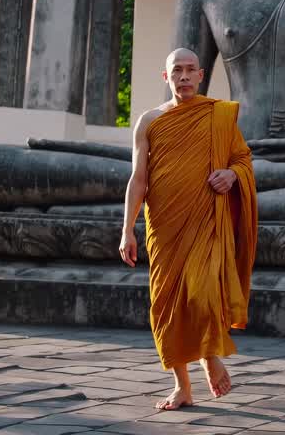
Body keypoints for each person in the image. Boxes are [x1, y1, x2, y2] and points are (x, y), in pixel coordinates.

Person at [118, 48, 257, 411]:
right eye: (176, 70)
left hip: (205, 220)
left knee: (201, 290)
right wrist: (127, 229)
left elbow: (242, 159)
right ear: (166, 78)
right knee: (164, 305)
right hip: (163, 225)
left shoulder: (219, 115)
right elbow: (138, 178)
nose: (183, 76)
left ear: (200, 75)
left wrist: (231, 174)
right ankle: (182, 387)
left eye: (190, 70)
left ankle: (210, 355)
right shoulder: (149, 121)